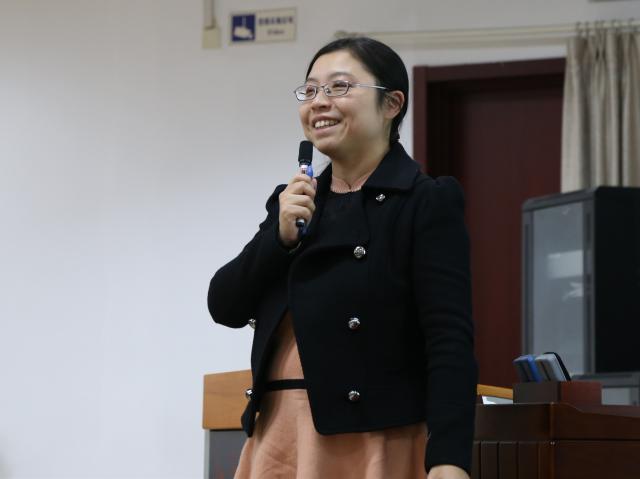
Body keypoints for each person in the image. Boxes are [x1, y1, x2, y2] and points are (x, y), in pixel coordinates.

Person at [208, 37, 478, 479]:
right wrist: (278, 238)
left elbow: (449, 339)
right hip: (280, 431)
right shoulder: (294, 202)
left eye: (339, 87)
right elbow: (224, 305)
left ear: (392, 104)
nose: (319, 102)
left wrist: (449, 459)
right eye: (311, 90)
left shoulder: (424, 201)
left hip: (372, 436)